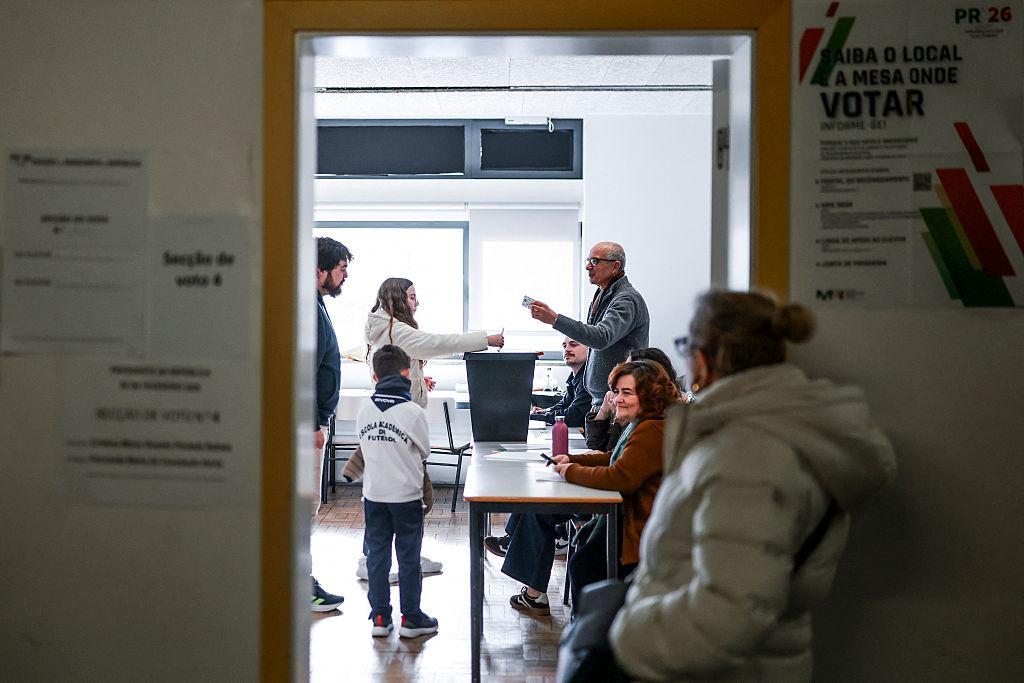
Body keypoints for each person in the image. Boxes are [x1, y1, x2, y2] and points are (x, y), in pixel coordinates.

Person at [607, 290, 897, 681]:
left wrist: (627, 638)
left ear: (706, 355)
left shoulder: (747, 456)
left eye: (686, 347)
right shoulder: (761, 434)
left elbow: (730, 612)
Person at [355, 277, 504, 580]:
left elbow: (397, 366)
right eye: (411, 297)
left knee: (396, 497)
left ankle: (393, 556)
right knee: (414, 498)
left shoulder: (384, 328)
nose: (416, 302)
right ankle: (380, 559)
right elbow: (437, 343)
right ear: (398, 299)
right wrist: (484, 339)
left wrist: (420, 380)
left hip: (391, 426)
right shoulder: (395, 329)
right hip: (401, 430)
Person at [550, 360, 680, 606]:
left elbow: (620, 478)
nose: (617, 399)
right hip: (630, 520)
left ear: (650, 395)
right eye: (617, 392)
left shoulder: (652, 429)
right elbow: (615, 458)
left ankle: (593, 638)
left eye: (627, 393)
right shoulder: (643, 424)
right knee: (582, 563)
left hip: (639, 529)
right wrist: (572, 459)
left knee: (584, 566)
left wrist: (571, 471)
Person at [356, 345, 439, 639]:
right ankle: (411, 618)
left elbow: (365, 450)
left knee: (377, 557)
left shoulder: (364, 409)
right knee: (408, 558)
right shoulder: (412, 412)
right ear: (407, 374)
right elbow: (425, 451)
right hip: (406, 496)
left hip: (374, 495)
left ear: (375, 377)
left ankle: (380, 617)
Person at [529, 241, 649, 410]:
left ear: (615, 266)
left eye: (595, 261)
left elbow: (601, 337)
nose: (588, 267)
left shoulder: (626, 299)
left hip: (619, 401)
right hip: (604, 400)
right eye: (588, 261)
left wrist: (555, 320)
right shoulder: (602, 295)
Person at [311, 236, 351, 612]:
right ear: (320, 270)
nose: (345, 278)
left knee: (307, 504)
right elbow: (303, 370)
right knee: (303, 503)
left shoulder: (315, 305)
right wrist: (313, 423)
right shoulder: (307, 309)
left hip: (311, 422)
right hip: (305, 426)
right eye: (341, 270)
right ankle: (301, 584)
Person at [585, 346, 679, 451]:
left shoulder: (651, 424)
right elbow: (597, 446)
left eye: (629, 368)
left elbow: (614, 458)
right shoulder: (634, 413)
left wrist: (618, 422)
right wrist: (604, 409)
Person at [531, 337, 592, 428]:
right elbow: (565, 404)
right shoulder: (574, 377)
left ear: (590, 349)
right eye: (564, 346)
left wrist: (535, 417)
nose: (566, 349)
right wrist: (546, 411)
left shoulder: (589, 380)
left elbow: (573, 415)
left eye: (573, 345)